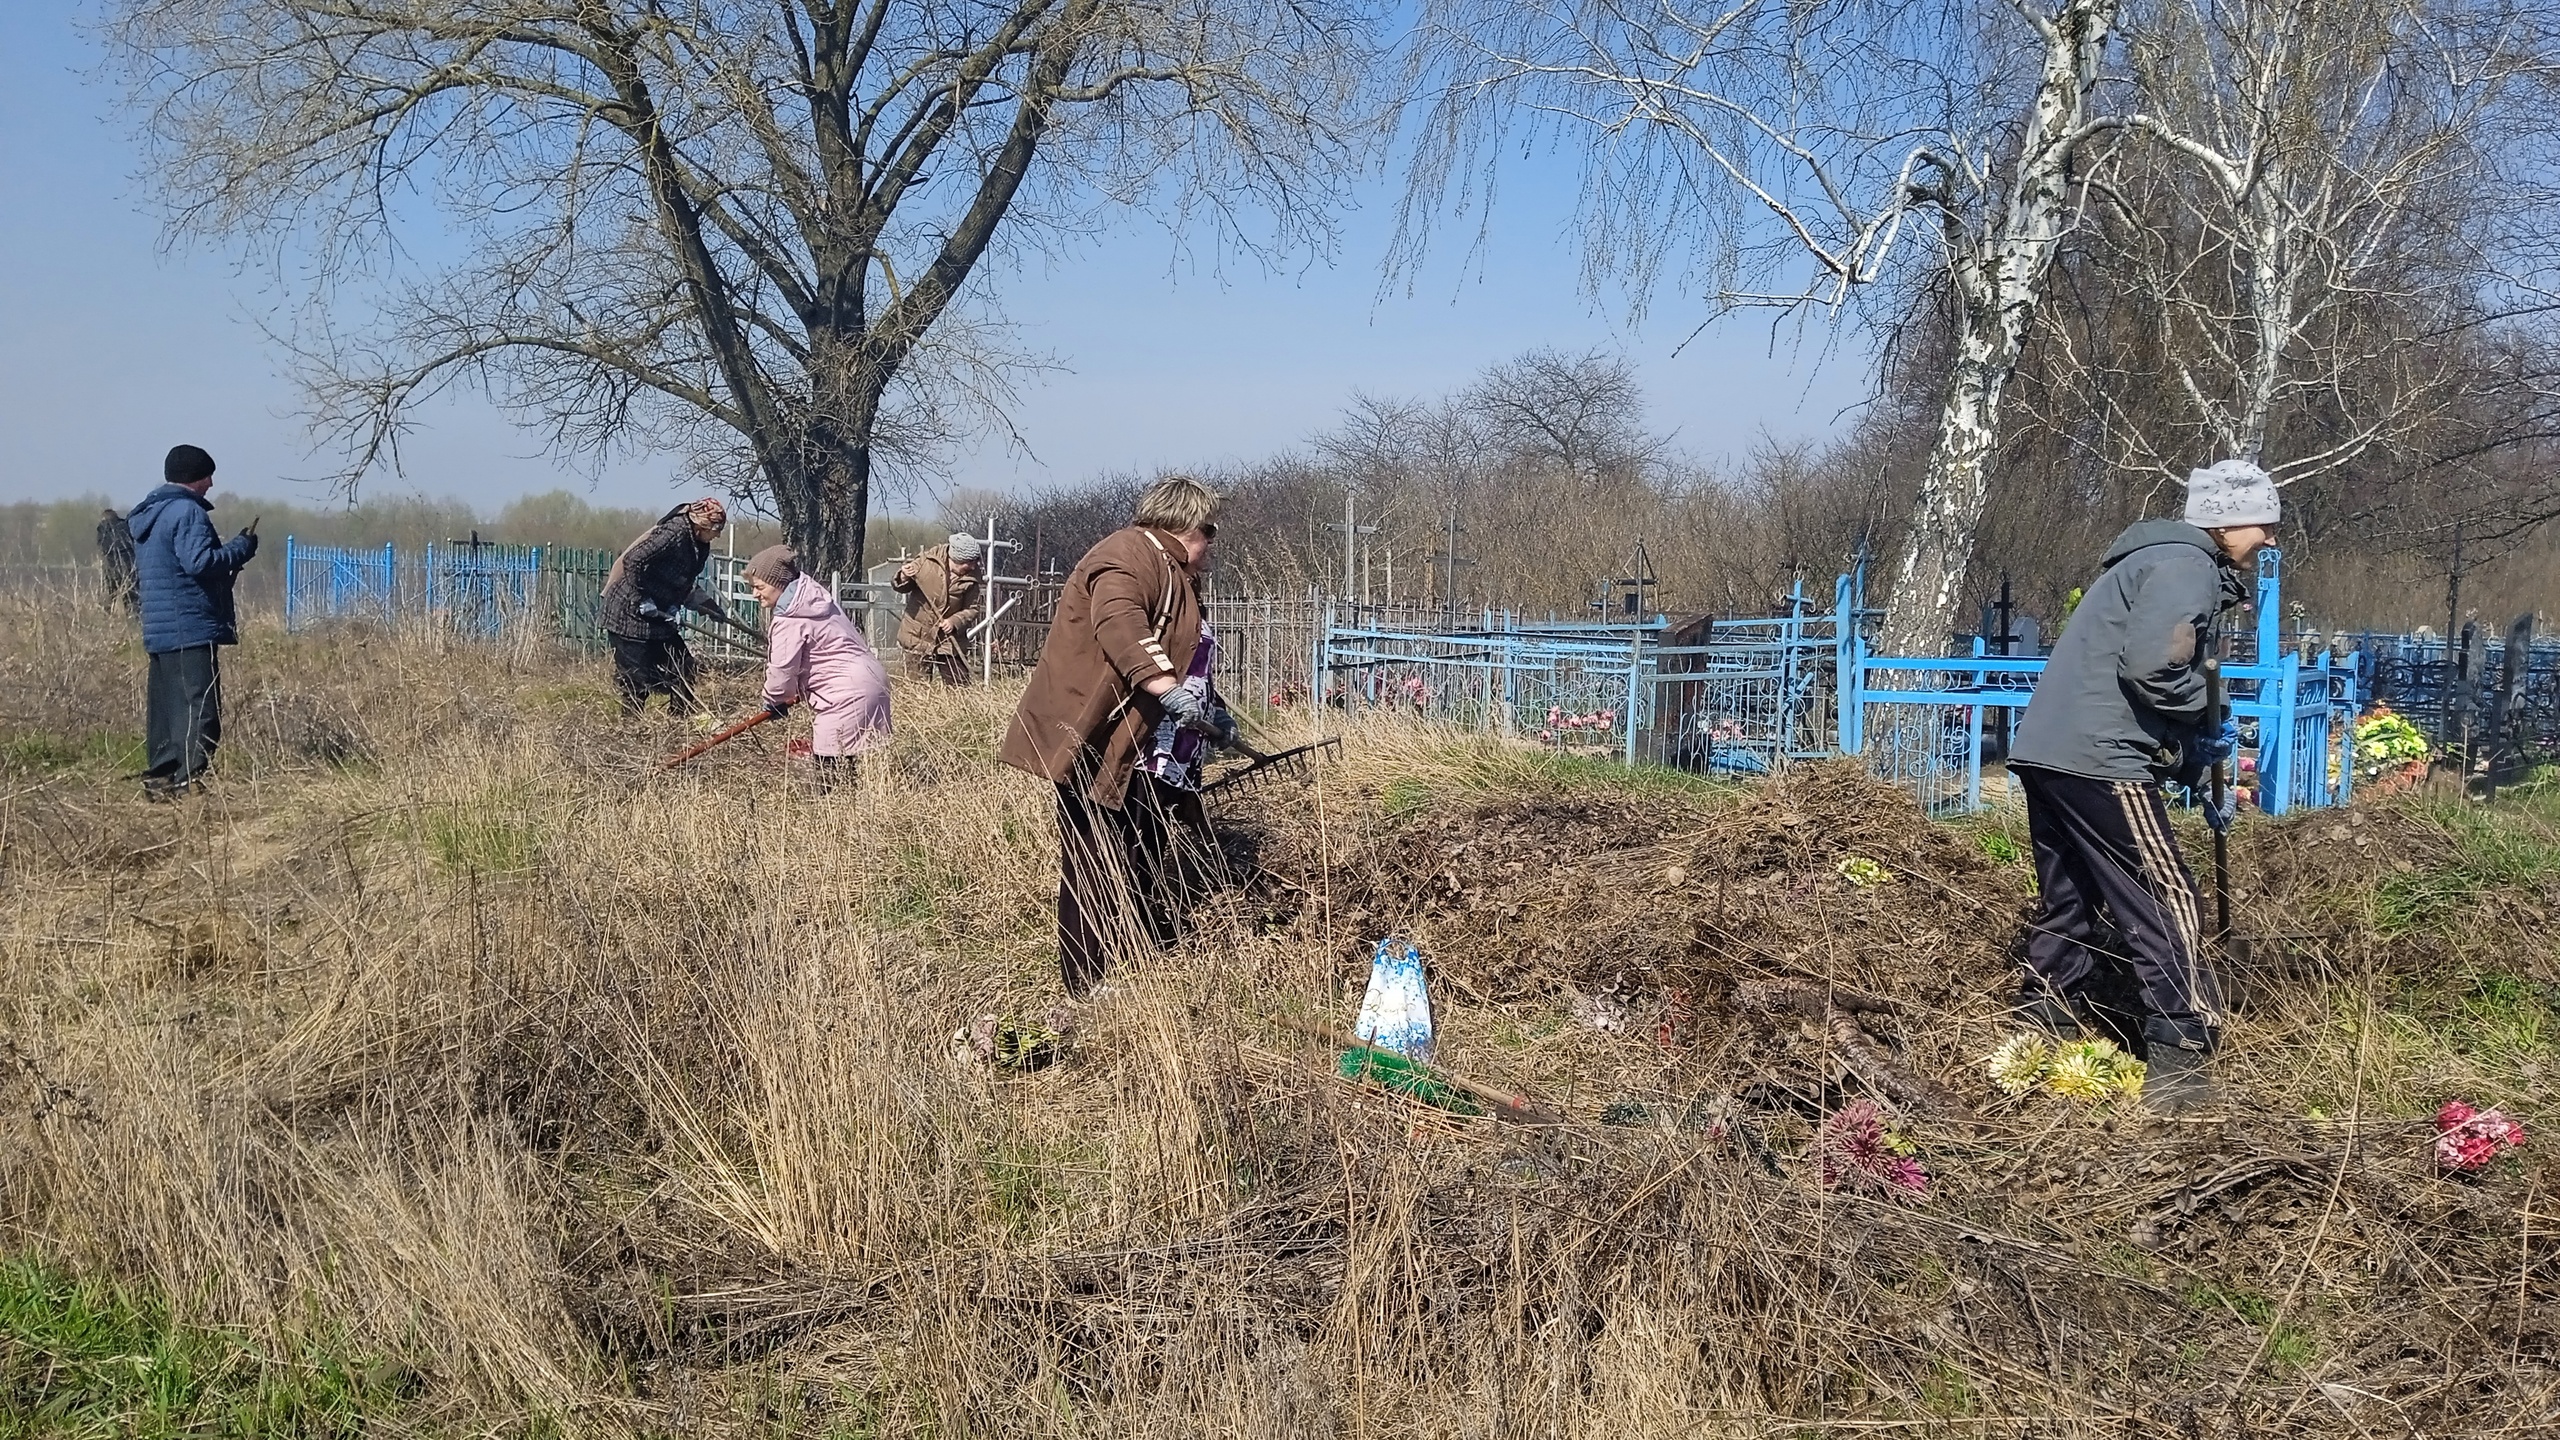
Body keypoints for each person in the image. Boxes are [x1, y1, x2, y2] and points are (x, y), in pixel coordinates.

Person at [2005, 458, 2280, 1113]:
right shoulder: (2186, 567)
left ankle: (2042, 1027)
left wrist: (2189, 757)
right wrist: (2212, 714)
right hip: (2102, 756)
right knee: (2167, 898)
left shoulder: (2147, 562)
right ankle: (2180, 1062)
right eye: (2264, 524)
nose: (2269, 538)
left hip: (2051, 751)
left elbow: (2124, 679)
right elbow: (2156, 670)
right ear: (2227, 519)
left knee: (2069, 896)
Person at [1000, 476, 1239, 997]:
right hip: (1102, 740)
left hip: (1150, 750)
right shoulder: (1127, 555)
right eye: (1210, 530)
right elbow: (1121, 627)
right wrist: (1168, 690)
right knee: (1094, 856)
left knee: (1142, 850)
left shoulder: (1173, 571)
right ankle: (1084, 985)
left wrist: (1213, 711)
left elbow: (1182, 657)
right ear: (1188, 525)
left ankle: (1135, 962)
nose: (1213, 543)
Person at [127, 445, 259, 799]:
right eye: (207, 476)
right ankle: (190, 781)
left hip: (159, 627)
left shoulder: (151, 513)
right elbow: (200, 563)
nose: (211, 483)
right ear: (193, 478)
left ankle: (162, 778)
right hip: (189, 624)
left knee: (167, 709)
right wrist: (241, 548)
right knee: (199, 705)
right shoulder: (187, 513)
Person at [745, 545, 892, 788]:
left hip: (845, 692)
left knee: (829, 767)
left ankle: (835, 814)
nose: (754, 594)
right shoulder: (819, 601)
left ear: (779, 584)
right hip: (873, 680)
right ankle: (865, 808)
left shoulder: (789, 619)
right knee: (858, 760)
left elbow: (782, 670)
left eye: (760, 587)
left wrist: (774, 700)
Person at [600, 498, 731, 715]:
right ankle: (630, 729)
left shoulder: (700, 545)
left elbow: (684, 580)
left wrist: (677, 606)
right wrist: (640, 598)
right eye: (715, 529)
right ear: (701, 525)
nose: (717, 535)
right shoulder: (673, 533)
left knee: (684, 668)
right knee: (636, 681)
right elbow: (633, 561)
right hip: (628, 614)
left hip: (658, 615)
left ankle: (679, 722)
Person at [892, 533, 985, 683]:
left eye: (975, 561)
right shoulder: (927, 562)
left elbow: (972, 609)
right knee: (917, 689)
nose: (973, 566)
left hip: (950, 640)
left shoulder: (972, 577)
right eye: (969, 562)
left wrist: (954, 621)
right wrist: (903, 576)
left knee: (959, 687)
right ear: (957, 558)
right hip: (918, 635)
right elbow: (902, 586)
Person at [96, 507, 139, 614]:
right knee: (132, 600)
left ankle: (108, 620)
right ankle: (134, 622)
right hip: (129, 568)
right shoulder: (126, 526)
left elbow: (102, 548)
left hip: (111, 569)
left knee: (109, 598)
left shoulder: (102, 530)